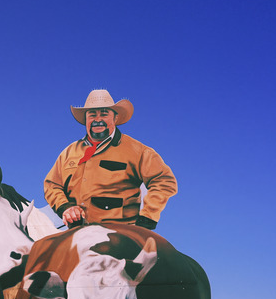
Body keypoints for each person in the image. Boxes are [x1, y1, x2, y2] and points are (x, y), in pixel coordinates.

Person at [44, 89, 177, 229]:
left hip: (120, 235)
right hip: (76, 233)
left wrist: (148, 217)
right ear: (86, 120)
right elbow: (52, 185)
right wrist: (65, 207)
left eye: (104, 113)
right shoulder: (69, 152)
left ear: (115, 118)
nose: (97, 120)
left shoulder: (138, 151)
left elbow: (164, 181)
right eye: (92, 115)